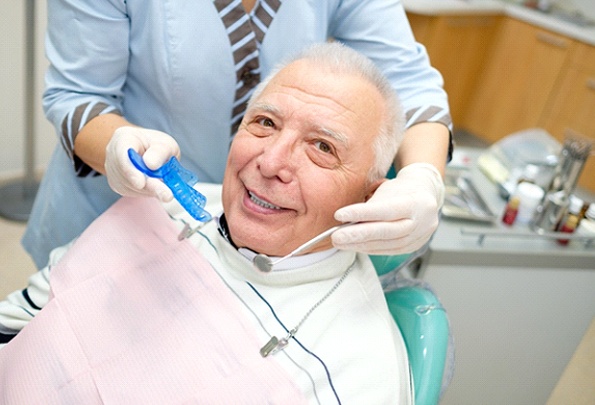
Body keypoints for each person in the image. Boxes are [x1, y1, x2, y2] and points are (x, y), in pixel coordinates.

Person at [0, 43, 412, 403]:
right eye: (265, 123)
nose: (270, 163)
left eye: (322, 147)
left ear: (369, 197)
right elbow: (19, 320)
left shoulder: (361, 371)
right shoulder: (159, 210)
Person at [22, 0, 452, 270]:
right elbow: (78, 94)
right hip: (113, 213)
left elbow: (410, 83)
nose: (270, 163)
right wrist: (118, 145)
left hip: (257, 239)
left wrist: (423, 178)